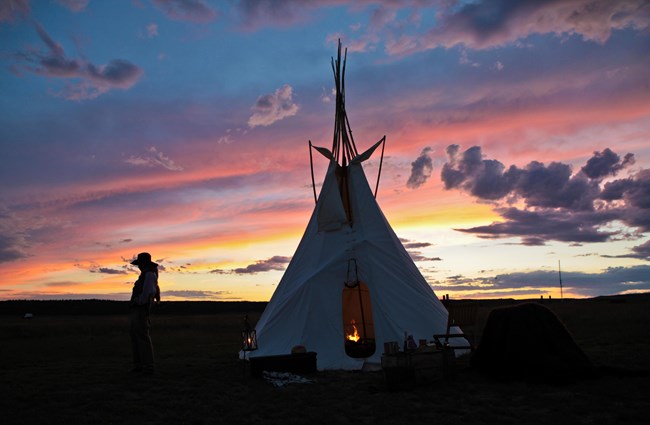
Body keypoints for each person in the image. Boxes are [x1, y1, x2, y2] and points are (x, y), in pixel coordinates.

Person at [129, 252, 159, 374]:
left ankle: (147, 367)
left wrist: (138, 301)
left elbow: (148, 292)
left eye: (140, 264)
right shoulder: (148, 274)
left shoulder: (149, 274)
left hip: (141, 308)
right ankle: (140, 365)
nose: (139, 266)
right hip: (139, 308)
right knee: (136, 336)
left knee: (142, 337)